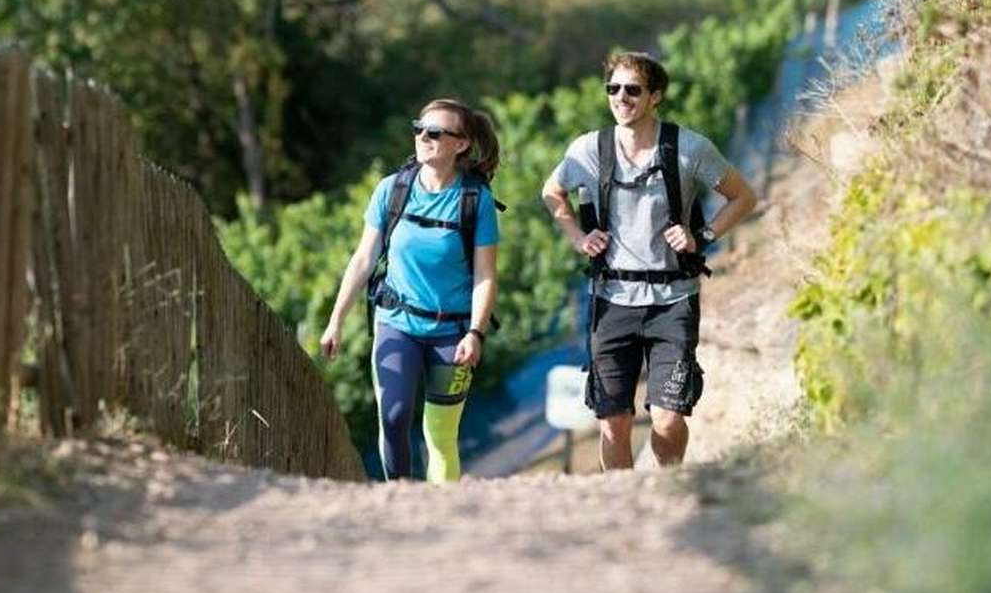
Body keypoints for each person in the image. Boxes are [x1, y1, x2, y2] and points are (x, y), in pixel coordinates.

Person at [541, 52, 757, 470]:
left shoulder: (689, 148)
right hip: (611, 299)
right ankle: (621, 504)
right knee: (612, 421)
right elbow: (552, 193)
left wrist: (704, 235)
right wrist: (577, 236)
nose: (621, 97)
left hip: (673, 298)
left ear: (655, 96)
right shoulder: (588, 149)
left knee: (668, 418)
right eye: (613, 88)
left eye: (632, 89)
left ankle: (667, 486)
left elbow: (744, 196)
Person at [320, 98, 501, 482]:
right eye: (419, 128)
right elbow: (363, 259)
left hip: (452, 334)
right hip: (396, 323)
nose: (423, 137)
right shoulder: (392, 189)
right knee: (394, 416)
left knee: (439, 434)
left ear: (461, 144)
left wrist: (476, 332)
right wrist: (336, 320)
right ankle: (398, 499)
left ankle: (443, 512)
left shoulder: (475, 200)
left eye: (435, 132)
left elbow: (486, 275)